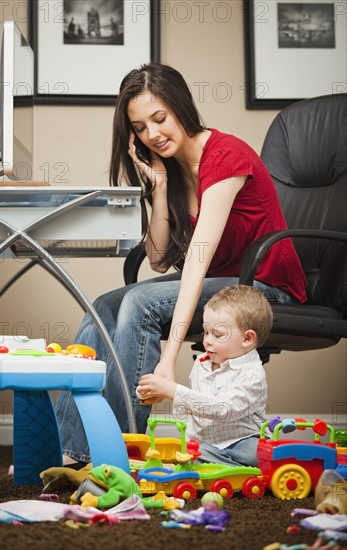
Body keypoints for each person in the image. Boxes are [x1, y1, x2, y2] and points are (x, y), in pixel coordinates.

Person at [55, 63, 307, 467]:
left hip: (263, 286)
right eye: (139, 128)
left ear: (181, 108)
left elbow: (196, 262)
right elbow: (156, 260)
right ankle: (71, 450)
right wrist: (159, 188)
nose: (152, 134)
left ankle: (118, 452)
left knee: (137, 304)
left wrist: (168, 358)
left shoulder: (226, 156)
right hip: (220, 283)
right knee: (102, 306)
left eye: (160, 119)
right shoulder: (169, 168)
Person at [137, 284, 273, 467]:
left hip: (241, 442)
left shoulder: (252, 373)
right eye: (206, 332)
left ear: (247, 338)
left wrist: (173, 391)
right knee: (193, 451)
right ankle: (215, 463)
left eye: (217, 334)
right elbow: (195, 407)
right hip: (205, 443)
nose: (207, 341)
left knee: (256, 452)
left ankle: (224, 465)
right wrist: (161, 394)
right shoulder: (202, 363)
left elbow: (223, 410)